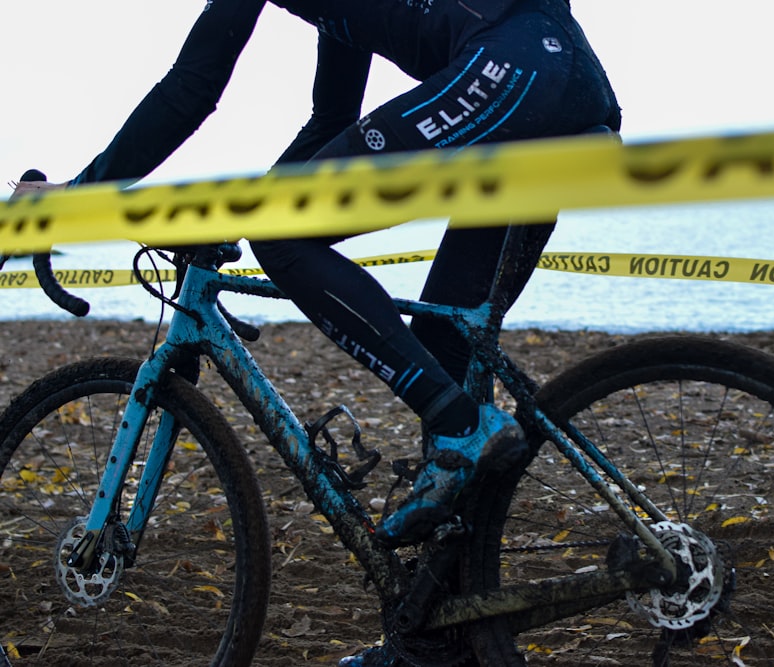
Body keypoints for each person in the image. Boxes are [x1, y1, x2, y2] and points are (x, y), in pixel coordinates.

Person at [14, 0, 619, 556]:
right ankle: (447, 627)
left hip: (510, 70)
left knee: (284, 241)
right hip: (567, 85)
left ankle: (458, 424)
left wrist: (79, 195)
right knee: (445, 340)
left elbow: (191, 88)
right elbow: (332, 116)